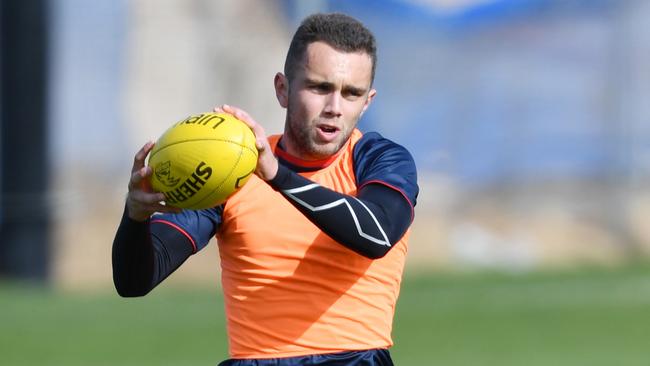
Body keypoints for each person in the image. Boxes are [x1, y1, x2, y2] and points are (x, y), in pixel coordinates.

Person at [112, 12, 418, 366]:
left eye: (351, 93)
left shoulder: (379, 159)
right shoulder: (231, 170)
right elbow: (135, 281)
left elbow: (375, 234)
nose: (334, 108)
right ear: (283, 89)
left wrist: (278, 176)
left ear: (367, 102)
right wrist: (135, 216)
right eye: (319, 88)